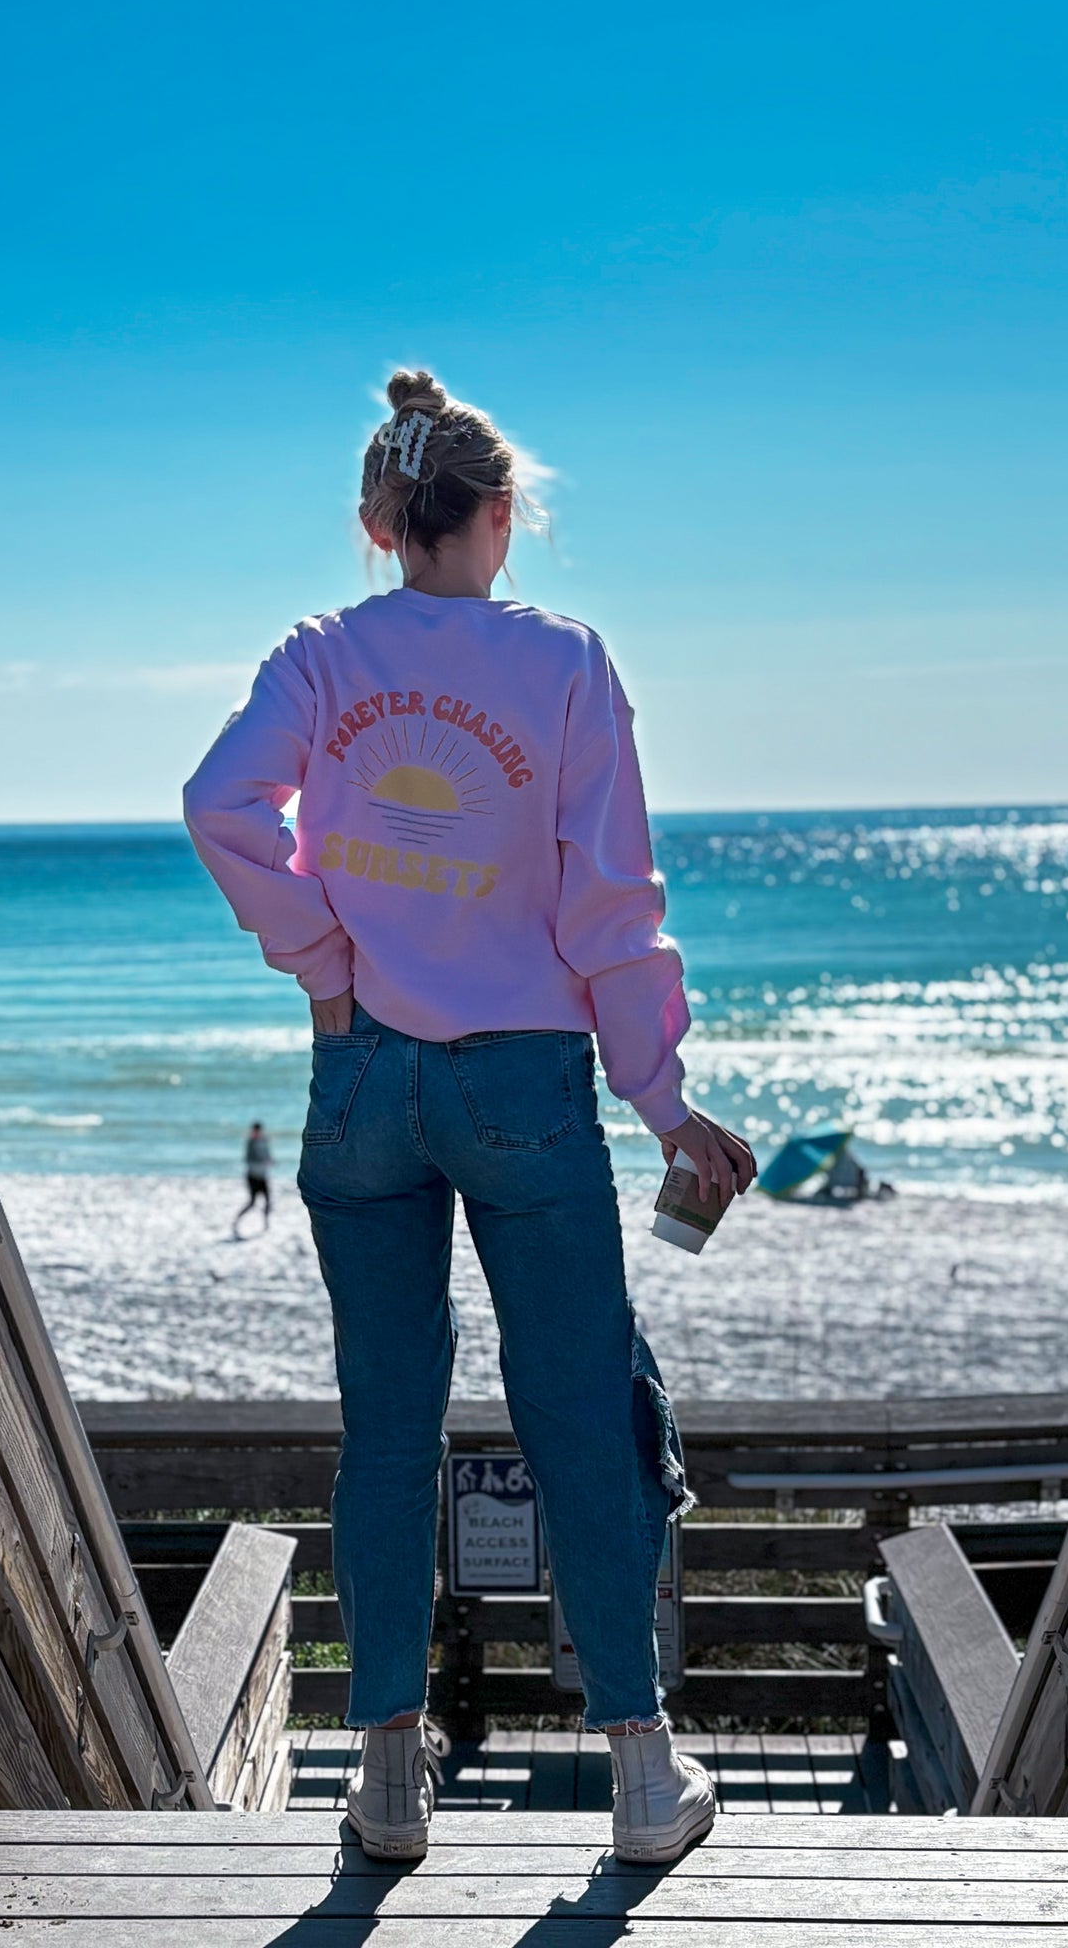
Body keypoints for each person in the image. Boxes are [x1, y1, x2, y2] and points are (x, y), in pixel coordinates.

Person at [184, 368, 755, 1864]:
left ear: (380, 522)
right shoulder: (565, 662)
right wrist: (663, 1097)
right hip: (521, 1079)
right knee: (576, 1409)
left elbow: (220, 807)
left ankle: (384, 1775)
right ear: (501, 518)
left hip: (364, 1070)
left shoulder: (320, 655)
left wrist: (321, 961)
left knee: (388, 1420)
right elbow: (609, 907)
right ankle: (639, 1771)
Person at [233, 1121, 273, 1235]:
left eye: (258, 1131)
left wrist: (270, 1161)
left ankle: (266, 1223)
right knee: (252, 1203)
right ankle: (237, 1220)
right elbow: (248, 1160)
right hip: (252, 1176)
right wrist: (262, 1162)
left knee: (268, 1201)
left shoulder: (265, 1141)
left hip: (263, 1176)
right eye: (254, 1131)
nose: (256, 1133)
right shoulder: (250, 1143)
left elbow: (268, 1155)